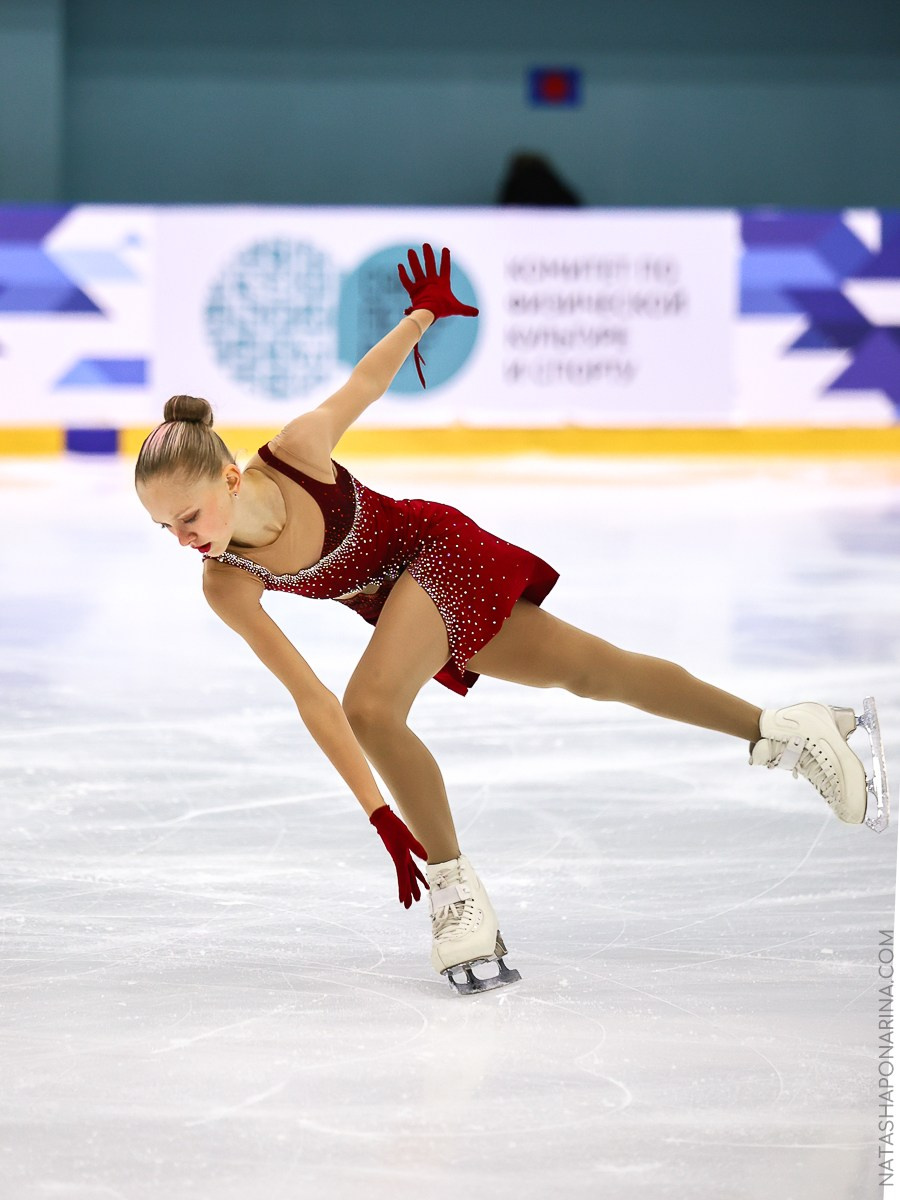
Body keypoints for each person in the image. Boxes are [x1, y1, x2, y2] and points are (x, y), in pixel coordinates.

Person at [135, 245, 887, 996]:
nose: (183, 538)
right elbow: (309, 697)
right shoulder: (226, 583)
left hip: (439, 552)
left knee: (378, 705)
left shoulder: (296, 451)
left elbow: (365, 382)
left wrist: (422, 315)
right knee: (599, 672)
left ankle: (455, 889)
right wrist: (377, 813)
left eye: (189, 515)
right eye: (164, 528)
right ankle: (787, 728)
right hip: (404, 603)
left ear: (231, 478)